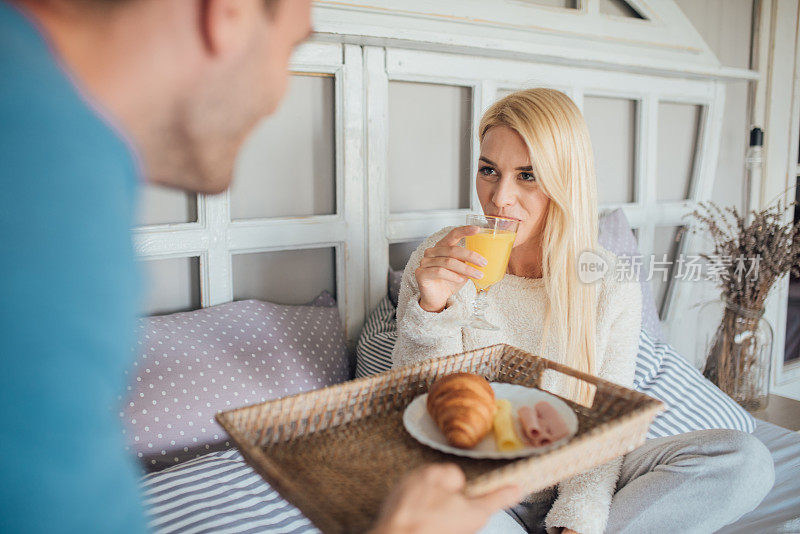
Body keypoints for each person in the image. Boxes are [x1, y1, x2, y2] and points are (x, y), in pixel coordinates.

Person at [0, 1, 519, 532]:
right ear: (228, 13)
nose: (278, 99)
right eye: (292, 48)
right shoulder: (42, 174)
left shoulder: (42, 124)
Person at [391, 88, 775, 534]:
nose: (499, 198)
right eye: (489, 170)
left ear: (564, 180)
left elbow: (604, 432)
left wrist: (578, 521)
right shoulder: (443, 258)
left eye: (528, 175)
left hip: (576, 474)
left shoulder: (608, 283)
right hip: (476, 484)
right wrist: (431, 307)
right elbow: (419, 406)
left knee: (746, 461)